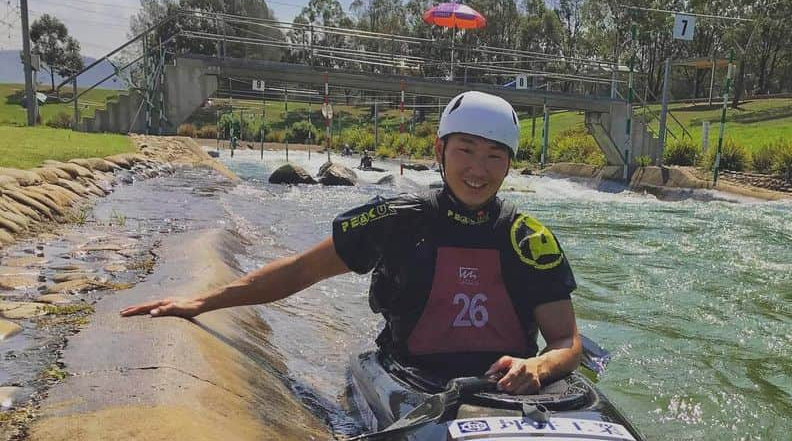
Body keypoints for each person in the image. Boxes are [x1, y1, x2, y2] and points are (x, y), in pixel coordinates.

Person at [121, 91, 581, 395]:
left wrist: (538, 369)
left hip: (505, 388)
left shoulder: (529, 239)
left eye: (494, 155)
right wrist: (200, 301)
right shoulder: (395, 219)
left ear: (509, 164)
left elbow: (565, 340)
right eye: (465, 150)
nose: (478, 169)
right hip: (412, 379)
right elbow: (301, 271)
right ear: (439, 151)